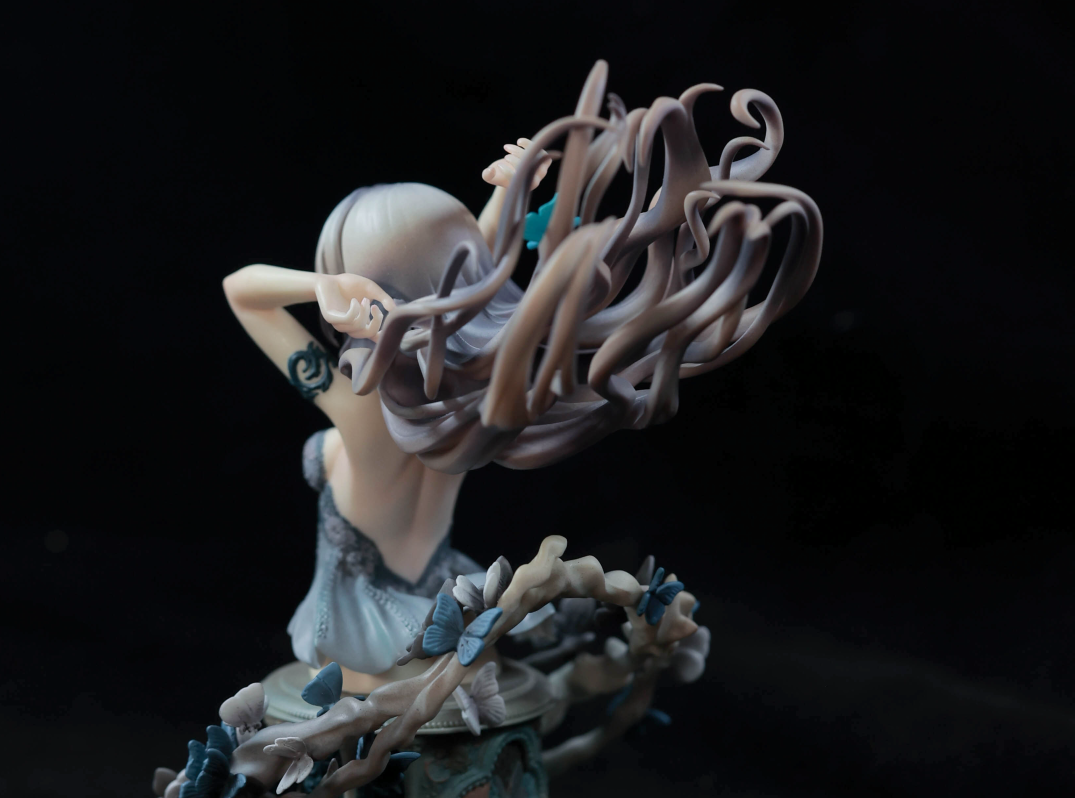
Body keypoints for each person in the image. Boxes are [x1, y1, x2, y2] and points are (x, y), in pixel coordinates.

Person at [222, 62, 820, 682]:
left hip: (360, 633)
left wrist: (320, 284)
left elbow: (241, 291)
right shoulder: (467, 398)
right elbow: (461, 284)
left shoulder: (356, 408)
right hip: (436, 601)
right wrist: (507, 201)